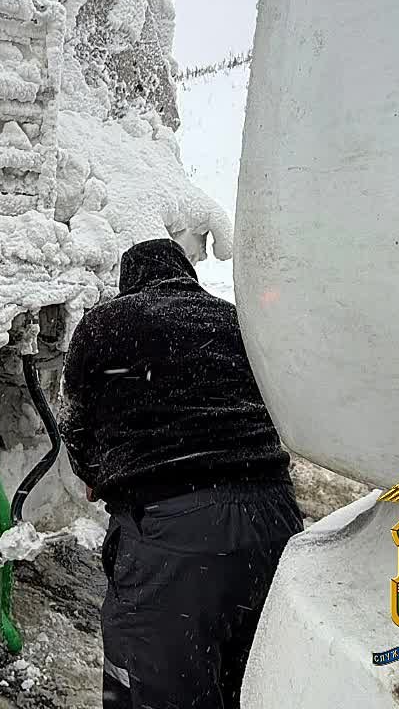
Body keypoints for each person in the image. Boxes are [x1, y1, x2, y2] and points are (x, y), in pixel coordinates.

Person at [61, 238, 304, 709]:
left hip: (177, 532)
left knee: (158, 688)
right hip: (276, 519)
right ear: (186, 274)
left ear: (129, 281)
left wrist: (95, 472)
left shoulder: (108, 323)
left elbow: (74, 418)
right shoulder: (236, 321)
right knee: (252, 679)